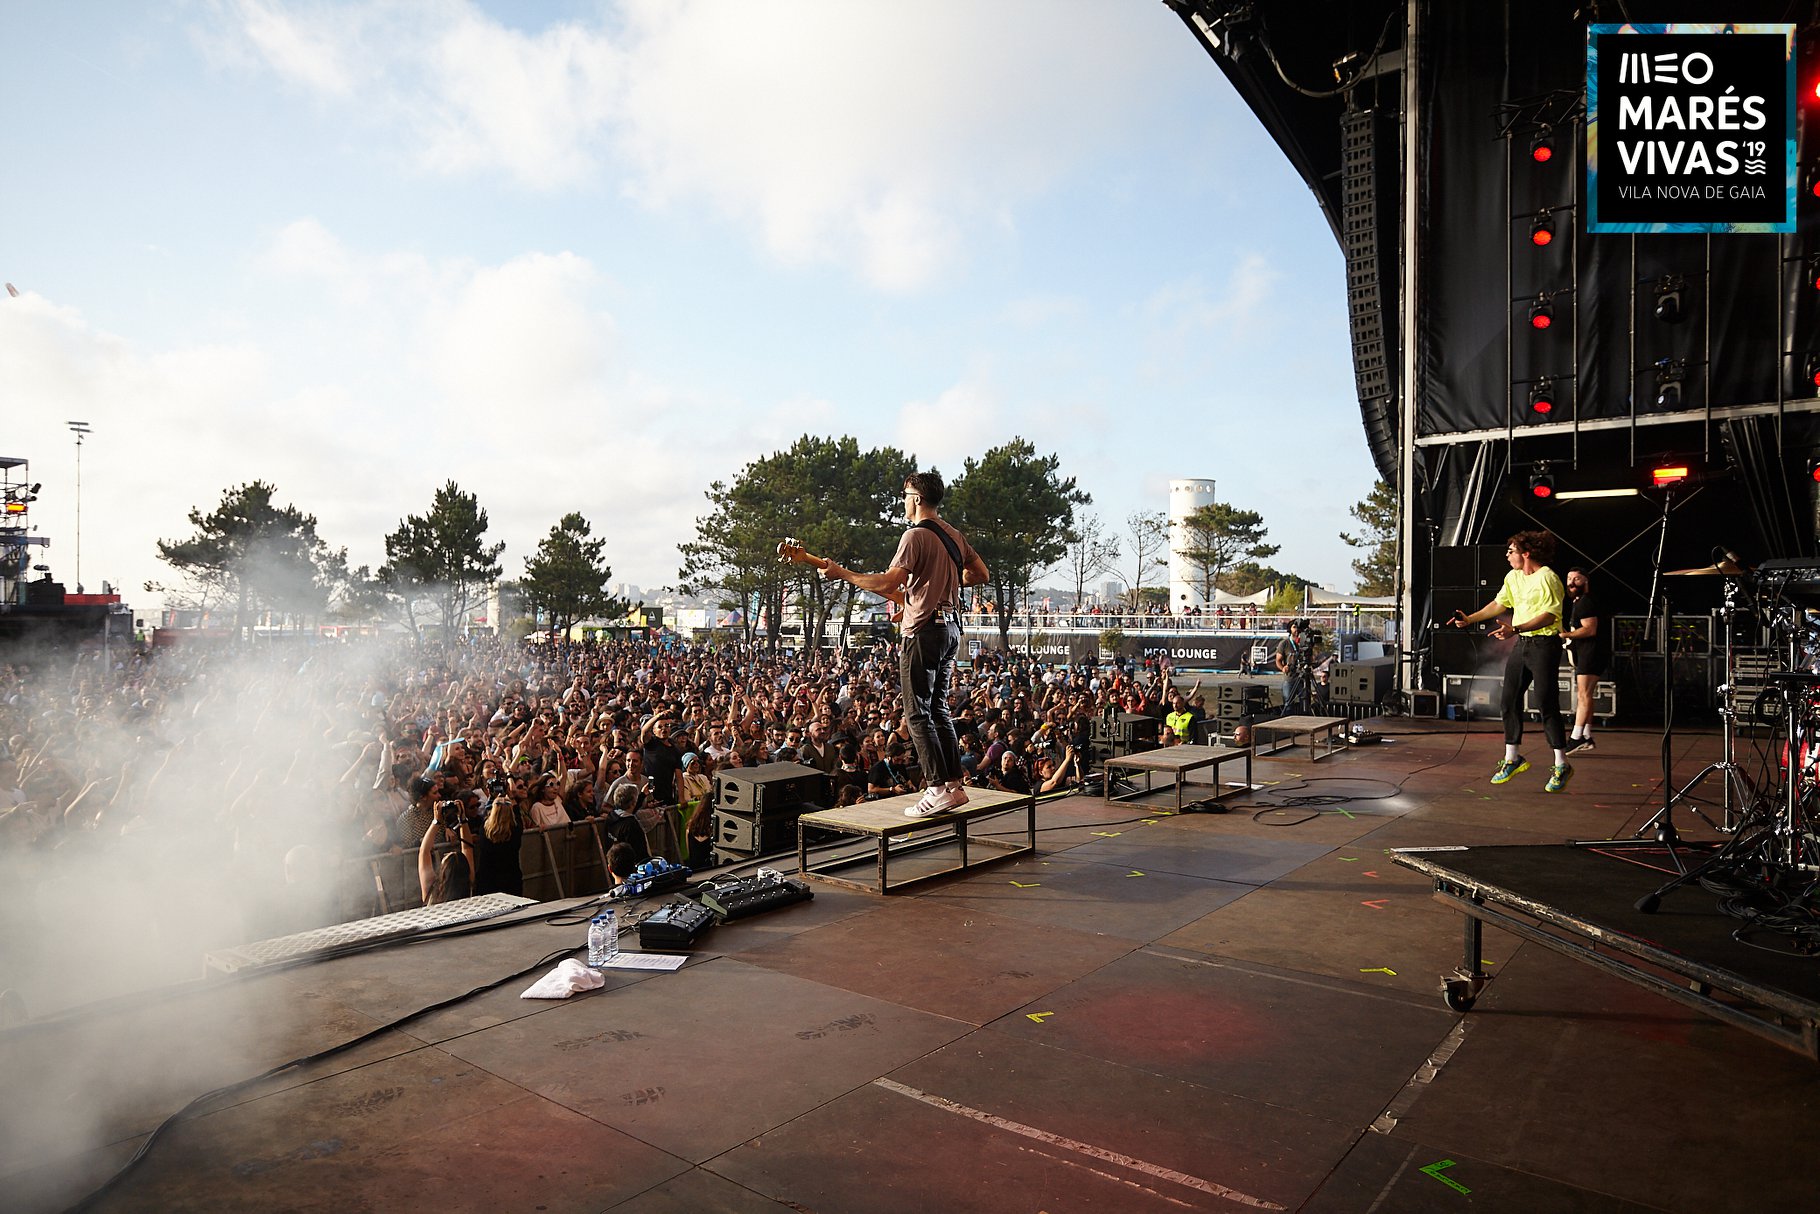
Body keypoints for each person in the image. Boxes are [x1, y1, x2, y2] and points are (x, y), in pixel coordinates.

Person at [819, 469, 989, 817]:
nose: (902, 500)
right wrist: (936, 586)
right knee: (939, 709)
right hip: (950, 628)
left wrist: (844, 574)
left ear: (916, 498)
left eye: (903, 494)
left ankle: (936, 788)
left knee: (916, 713)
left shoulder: (914, 536)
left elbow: (886, 583)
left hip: (923, 630)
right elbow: (980, 575)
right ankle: (954, 786)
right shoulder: (954, 535)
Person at [1448, 530, 1572, 792]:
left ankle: (1561, 763)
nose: (1507, 555)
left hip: (1544, 644)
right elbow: (1498, 604)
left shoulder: (1547, 577)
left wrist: (1516, 628)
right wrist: (1469, 618)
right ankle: (1512, 758)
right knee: (1508, 699)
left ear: (1526, 553)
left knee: (1545, 702)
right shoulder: (1513, 577)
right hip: (1523, 644)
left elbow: (1549, 616)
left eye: (1511, 551)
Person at [1560, 567, 1608, 755]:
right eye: (1569, 578)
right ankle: (1586, 736)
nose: (1571, 582)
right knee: (1585, 694)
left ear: (1585, 581)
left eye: (1577, 579)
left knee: (1583, 695)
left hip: (1592, 653)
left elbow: (1590, 629)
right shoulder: (1578, 602)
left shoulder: (1586, 602)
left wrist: (1566, 634)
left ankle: (1576, 737)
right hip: (1589, 653)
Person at [1274, 620, 1322, 714]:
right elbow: (1278, 660)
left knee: (1305, 703)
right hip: (1290, 678)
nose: (1296, 630)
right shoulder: (1284, 643)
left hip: (1303, 678)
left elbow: (1311, 657)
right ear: (1290, 629)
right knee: (1288, 704)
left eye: (1297, 627)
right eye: (1294, 627)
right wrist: (1283, 668)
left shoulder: (1305, 643)